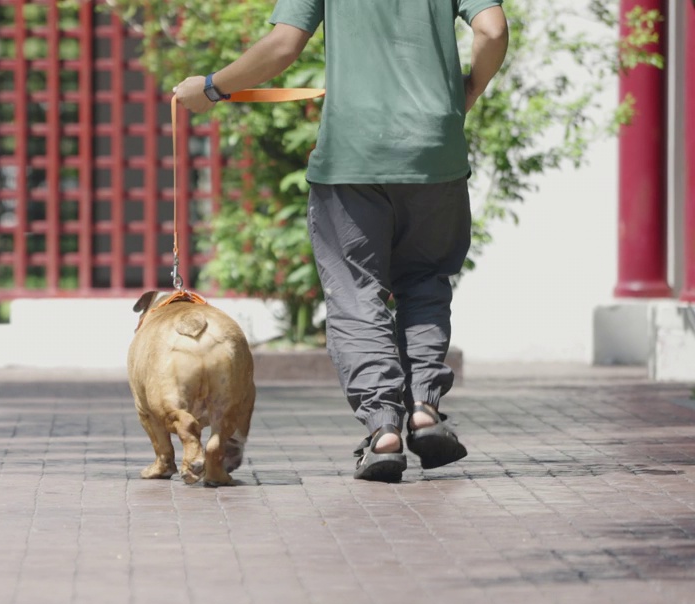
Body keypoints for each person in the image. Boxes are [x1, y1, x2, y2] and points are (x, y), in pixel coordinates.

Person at [174, 1, 509, 481]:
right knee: (425, 282)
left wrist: (211, 88)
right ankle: (424, 410)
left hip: (353, 154)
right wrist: (467, 92)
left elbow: (284, 44)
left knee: (356, 294)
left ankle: (383, 430)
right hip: (435, 152)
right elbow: (493, 31)